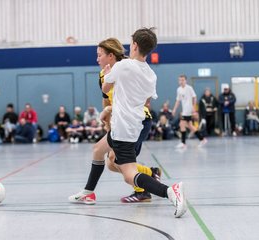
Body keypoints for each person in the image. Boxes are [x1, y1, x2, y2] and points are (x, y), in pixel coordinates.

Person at [69, 28, 186, 218]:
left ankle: (170, 192)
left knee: (129, 174)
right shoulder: (151, 74)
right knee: (98, 150)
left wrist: (108, 76)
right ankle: (88, 191)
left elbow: (106, 88)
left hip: (123, 127)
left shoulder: (122, 67)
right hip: (133, 123)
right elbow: (148, 100)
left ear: (134, 45)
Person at [69, 37, 161, 204]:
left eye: (99, 55)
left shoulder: (127, 66)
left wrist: (114, 110)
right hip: (120, 121)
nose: (96, 59)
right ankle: (88, 192)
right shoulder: (103, 74)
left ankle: (144, 190)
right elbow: (107, 98)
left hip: (138, 122)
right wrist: (108, 120)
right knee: (102, 153)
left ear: (111, 55)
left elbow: (142, 98)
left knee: (117, 162)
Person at [172, 75, 207, 148]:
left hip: (188, 110)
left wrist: (194, 108)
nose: (181, 82)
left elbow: (194, 97)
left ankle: (183, 143)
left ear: (185, 81)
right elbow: (178, 100)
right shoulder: (179, 89)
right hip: (184, 110)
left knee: (182, 124)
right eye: (180, 80)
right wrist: (174, 109)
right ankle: (202, 139)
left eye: (183, 80)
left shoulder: (189, 88)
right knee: (190, 126)